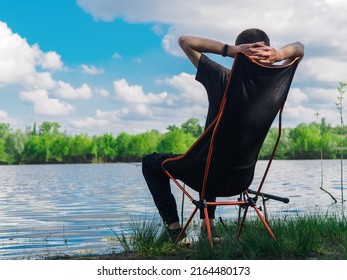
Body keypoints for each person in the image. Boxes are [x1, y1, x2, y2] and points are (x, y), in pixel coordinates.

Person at [142, 28, 304, 242]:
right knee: (212, 155)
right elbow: (299, 49)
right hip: (241, 179)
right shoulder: (275, 86)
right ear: (268, 52)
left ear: (240, 54)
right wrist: (278, 55)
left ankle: (174, 229)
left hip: (207, 175)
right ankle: (208, 227)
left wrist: (231, 50)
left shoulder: (222, 78)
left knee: (151, 162)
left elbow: (185, 40)